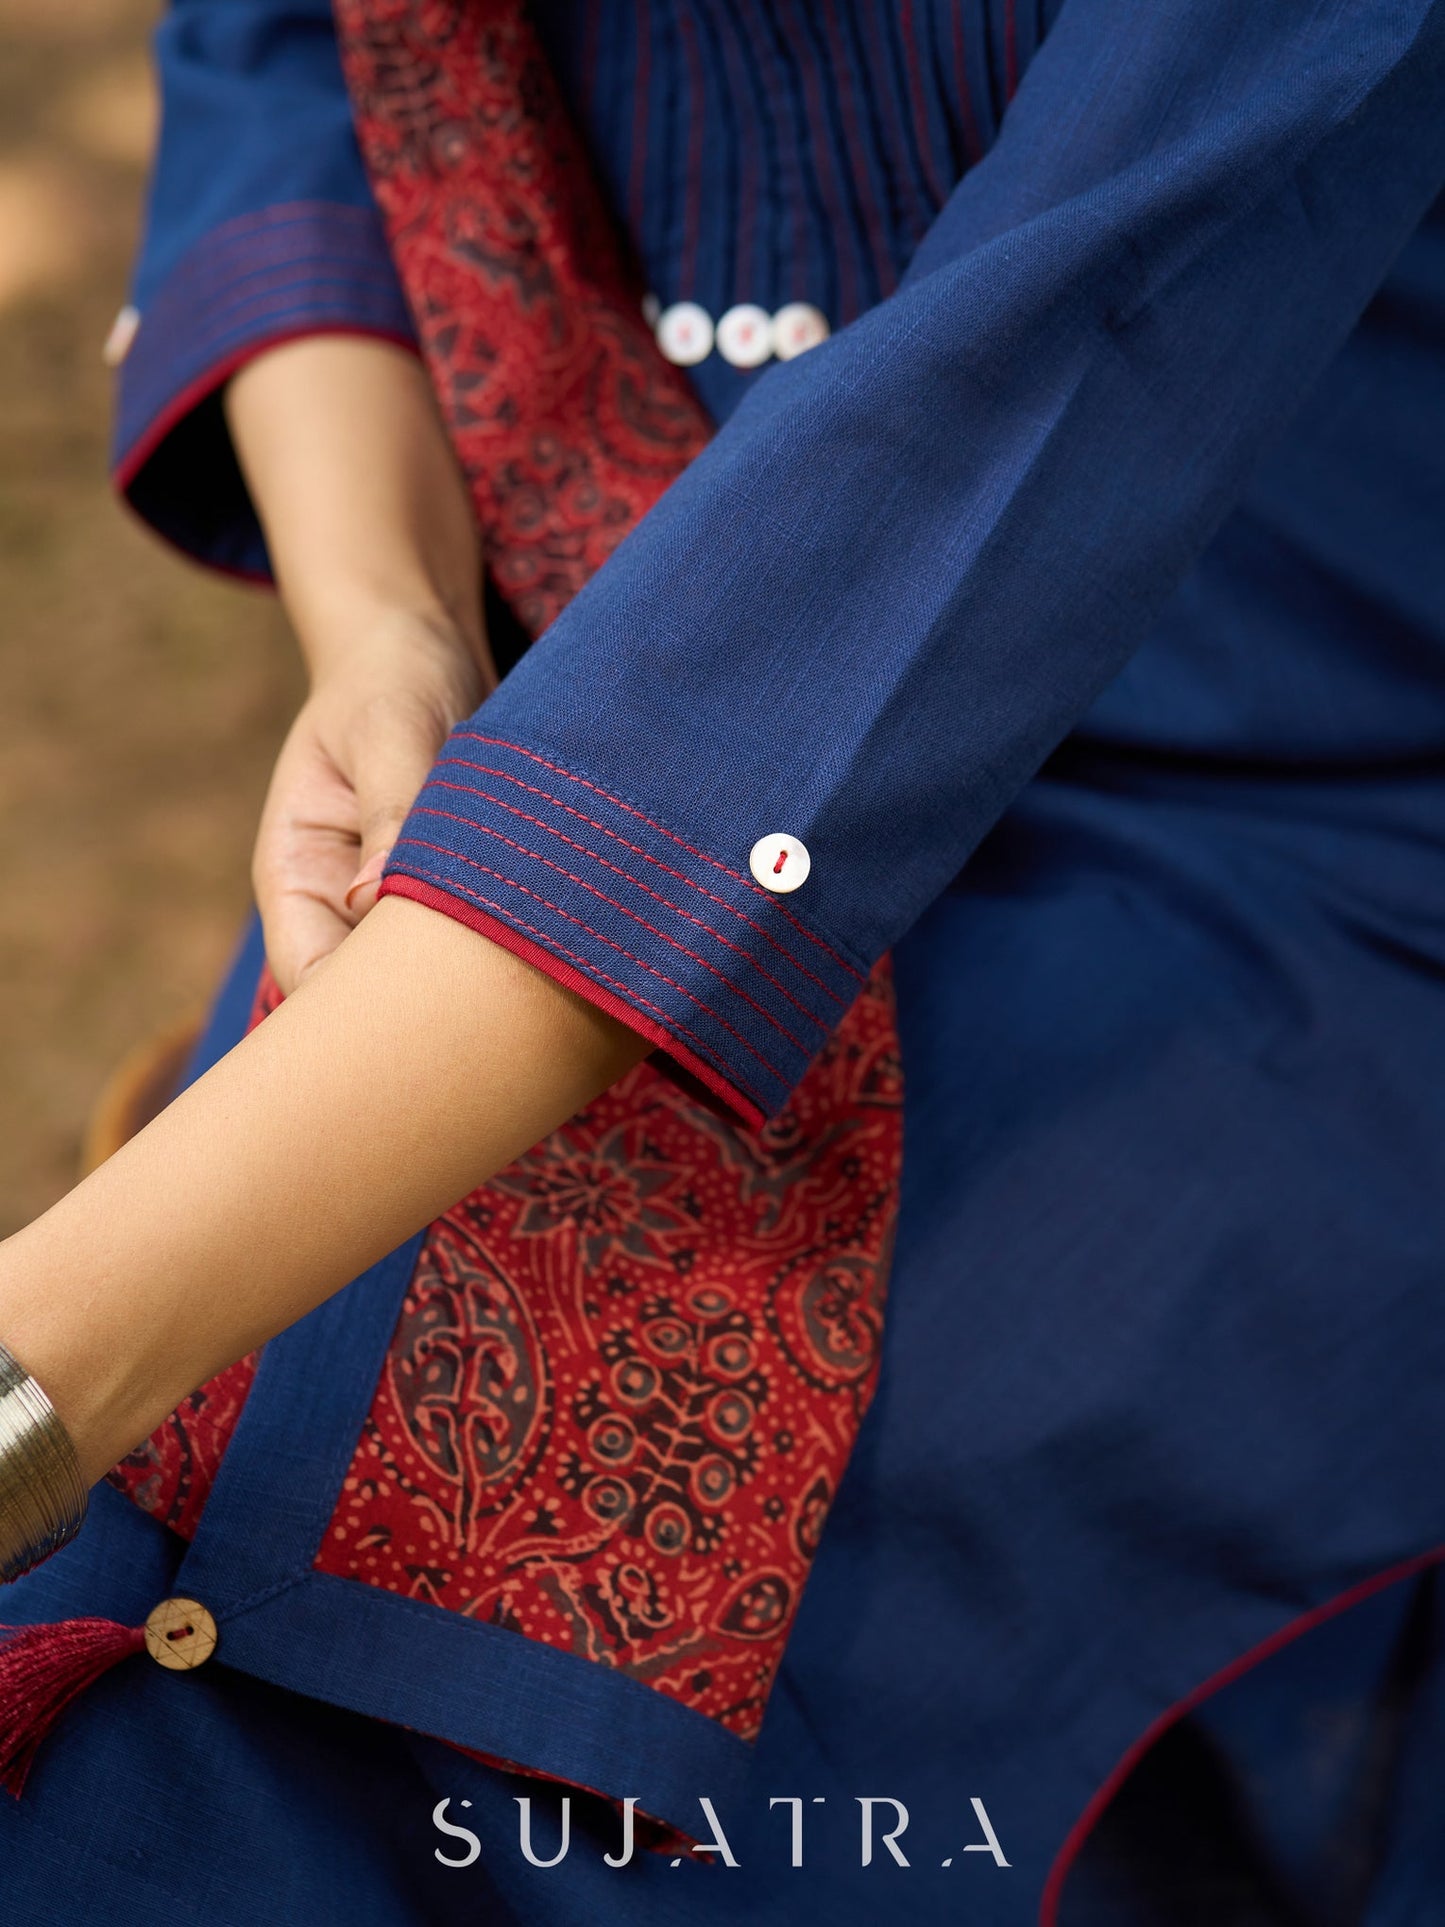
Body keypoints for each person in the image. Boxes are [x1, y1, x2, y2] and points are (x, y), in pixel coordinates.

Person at [2, 0, 1445, 1920]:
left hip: (1273, 800)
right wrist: (396, 626)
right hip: (570, 722)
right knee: (195, 1585)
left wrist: (38, 1372)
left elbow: (1083, 341)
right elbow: (290, 57)